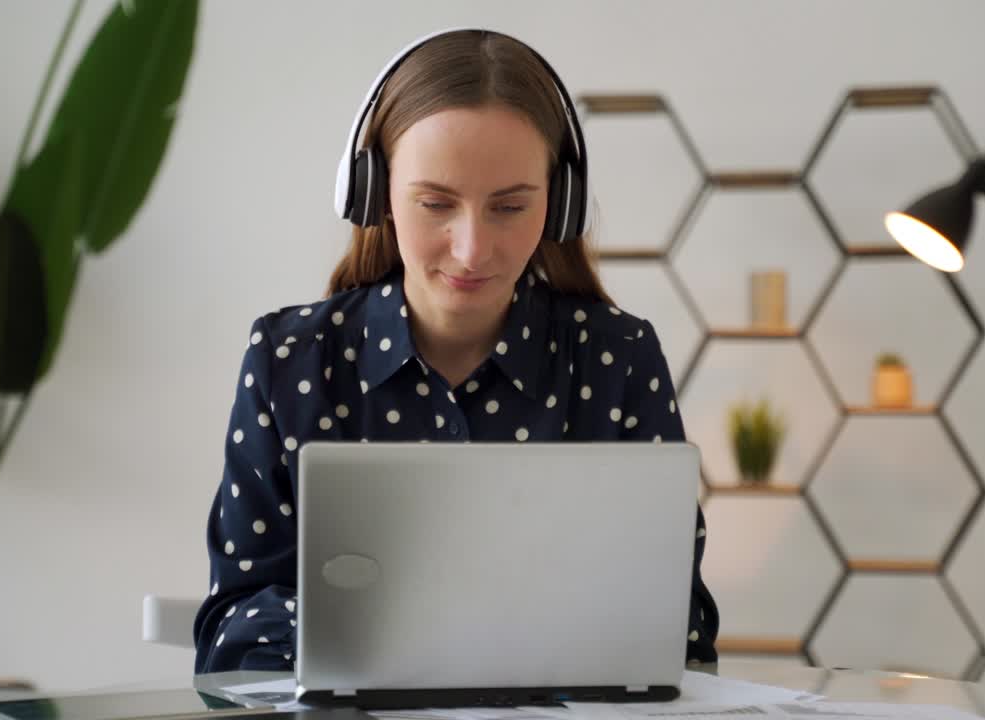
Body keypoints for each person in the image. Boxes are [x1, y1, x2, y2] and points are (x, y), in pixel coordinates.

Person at [193, 28, 718, 673]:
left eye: (510, 207)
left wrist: (413, 629)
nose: (472, 250)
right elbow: (231, 631)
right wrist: (432, 631)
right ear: (373, 191)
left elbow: (681, 626)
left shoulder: (620, 358)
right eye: (436, 203)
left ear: (559, 204)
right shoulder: (289, 359)